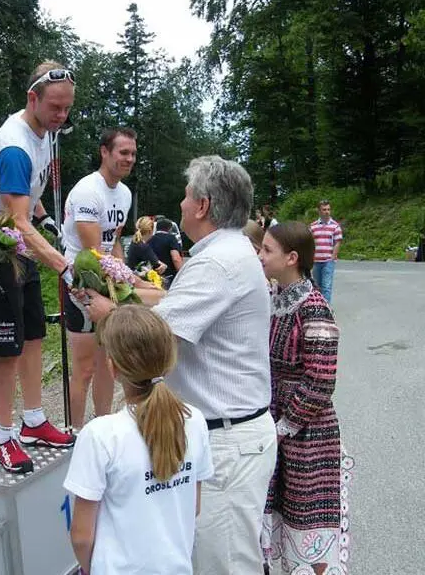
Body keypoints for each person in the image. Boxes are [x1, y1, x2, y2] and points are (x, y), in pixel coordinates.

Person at [83, 156, 277, 574]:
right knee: (221, 553)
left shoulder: (216, 264)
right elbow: (174, 304)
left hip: (227, 439)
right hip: (228, 433)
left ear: (204, 205)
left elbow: (157, 335)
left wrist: (106, 311)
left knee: (222, 563)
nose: (182, 204)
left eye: (187, 197)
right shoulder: (228, 251)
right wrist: (130, 289)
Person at [0, 62, 76, 474]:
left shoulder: (44, 134)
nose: (61, 116)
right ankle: (3, 435)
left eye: (67, 109)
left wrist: (48, 218)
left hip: (21, 244)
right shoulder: (13, 146)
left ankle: (33, 420)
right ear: (32, 98)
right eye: (54, 107)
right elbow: (15, 219)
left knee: (34, 335)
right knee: (6, 347)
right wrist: (62, 265)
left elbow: (31, 197)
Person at [63, 305, 213, 575]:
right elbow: (194, 507)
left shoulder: (101, 435)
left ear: (113, 367)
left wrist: (91, 569)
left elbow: (81, 535)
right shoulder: (195, 421)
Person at [257, 222, 350, 574]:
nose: (260, 255)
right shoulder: (276, 298)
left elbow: (321, 379)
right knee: (274, 511)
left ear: (292, 258)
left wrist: (285, 425)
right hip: (273, 419)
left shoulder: (313, 308)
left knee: (305, 517)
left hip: (307, 432)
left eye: (267, 250)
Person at [60, 127, 135, 428]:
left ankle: (104, 428)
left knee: (108, 363)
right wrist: (123, 281)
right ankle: (76, 433)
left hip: (107, 280)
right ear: (105, 152)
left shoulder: (125, 193)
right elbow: (92, 250)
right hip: (79, 280)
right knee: (85, 367)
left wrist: (124, 277)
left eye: (132, 153)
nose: (129, 159)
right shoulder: (88, 191)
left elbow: (113, 241)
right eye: (123, 152)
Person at [309, 200, 343, 303]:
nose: (327, 212)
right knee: (317, 286)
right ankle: (319, 307)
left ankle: (326, 310)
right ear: (319, 211)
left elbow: (337, 242)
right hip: (316, 261)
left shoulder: (335, 226)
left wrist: (333, 256)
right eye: (324, 210)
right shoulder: (313, 226)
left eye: (328, 209)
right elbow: (309, 241)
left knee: (326, 286)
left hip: (328, 261)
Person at [148, 217, 183, 288]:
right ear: (169, 228)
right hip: (169, 276)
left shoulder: (150, 239)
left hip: (153, 276)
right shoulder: (171, 238)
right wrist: (182, 273)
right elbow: (176, 259)